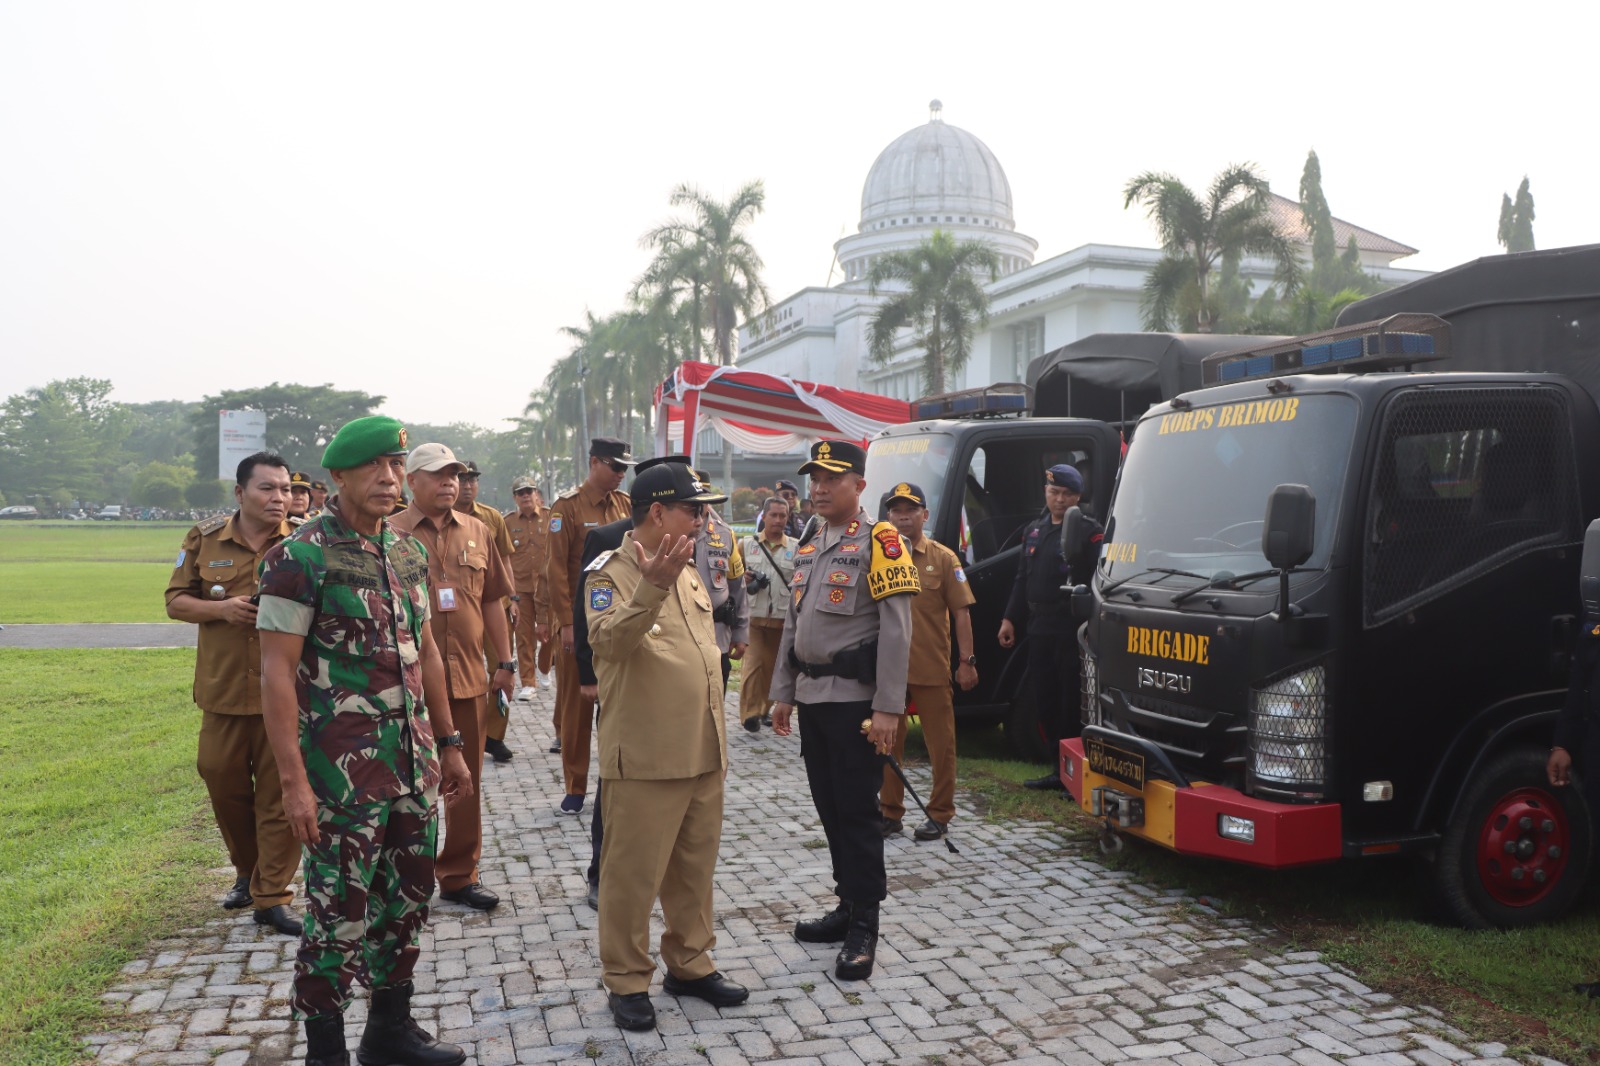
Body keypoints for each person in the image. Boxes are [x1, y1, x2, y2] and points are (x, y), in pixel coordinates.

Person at [257, 415, 474, 1066]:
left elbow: (427, 652)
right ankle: (326, 1052)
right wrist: (294, 782)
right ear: (337, 478)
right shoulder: (299, 558)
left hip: (412, 766)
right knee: (336, 917)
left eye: (394, 466)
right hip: (339, 779)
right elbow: (273, 674)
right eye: (372, 468)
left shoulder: (405, 552)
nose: (388, 478)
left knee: (408, 900)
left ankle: (389, 1032)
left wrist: (451, 741)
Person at [584, 460, 748, 1031]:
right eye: (694, 510)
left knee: (694, 870)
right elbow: (608, 643)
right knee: (631, 876)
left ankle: (691, 963)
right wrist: (650, 586)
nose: (705, 521)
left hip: (701, 747)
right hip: (648, 755)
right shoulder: (610, 574)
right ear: (658, 512)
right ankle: (627, 980)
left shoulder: (689, 568)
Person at [770, 439, 918, 981]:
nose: (820, 488)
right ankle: (846, 905)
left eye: (832, 478)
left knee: (858, 815)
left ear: (859, 485)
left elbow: (899, 630)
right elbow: (793, 621)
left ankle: (865, 927)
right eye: (815, 478)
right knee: (830, 809)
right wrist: (782, 691)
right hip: (813, 699)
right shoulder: (810, 540)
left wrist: (888, 708)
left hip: (857, 704)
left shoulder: (882, 540)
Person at [164, 450, 301, 936]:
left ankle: (273, 897)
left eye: (285, 489)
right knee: (222, 780)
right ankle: (248, 871)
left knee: (280, 796)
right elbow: (175, 602)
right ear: (240, 493)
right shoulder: (204, 538)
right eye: (268, 488)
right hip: (223, 690)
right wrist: (221, 611)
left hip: (285, 693)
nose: (279, 498)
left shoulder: (305, 540)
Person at [391, 443, 516, 913]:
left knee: (465, 782)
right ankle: (408, 876)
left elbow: (492, 601)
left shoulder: (479, 531)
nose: (451, 483)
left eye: (456, 475)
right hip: (405, 682)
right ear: (412, 482)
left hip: (466, 676)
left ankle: (460, 874)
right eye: (439, 475)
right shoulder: (390, 533)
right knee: (407, 782)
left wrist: (505, 662)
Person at [879, 482, 978, 840]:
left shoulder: (943, 558)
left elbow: (961, 613)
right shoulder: (880, 555)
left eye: (910, 510)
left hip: (931, 668)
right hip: (889, 670)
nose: (902, 517)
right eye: (896, 510)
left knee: (941, 745)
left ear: (925, 515)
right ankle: (890, 812)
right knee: (886, 743)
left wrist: (966, 660)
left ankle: (939, 813)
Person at [543, 437, 634, 815]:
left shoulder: (627, 505)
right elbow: (556, 571)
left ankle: (620, 777)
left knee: (622, 703)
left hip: (619, 620)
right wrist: (566, 624)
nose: (620, 475)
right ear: (594, 461)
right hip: (578, 623)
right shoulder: (566, 508)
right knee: (577, 706)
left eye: (624, 469)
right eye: (614, 467)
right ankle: (576, 785)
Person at [998, 463, 1102, 789]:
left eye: (1067, 494)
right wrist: (1009, 618)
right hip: (1038, 625)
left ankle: (1069, 773)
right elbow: (1021, 579)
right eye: (1054, 492)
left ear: (1078, 496)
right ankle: (1056, 767)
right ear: (1045, 492)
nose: (1059, 499)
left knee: (1069, 699)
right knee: (1045, 698)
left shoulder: (1088, 530)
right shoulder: (1035, 530)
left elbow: (1099, 579)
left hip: (1069, 625)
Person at [739, 496, 797, 732]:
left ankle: (763, 710)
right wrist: (742, 579)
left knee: (773, 669)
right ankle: (750, 714)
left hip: (783, 621)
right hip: (753, 618)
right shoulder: (746, 544)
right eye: (773, 515)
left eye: (783, 515)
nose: (778, 520)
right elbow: (733, 578)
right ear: (764, 516)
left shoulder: (797, 547)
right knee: (753, 665)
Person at [691, 469, 749, 691]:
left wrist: (741, 633)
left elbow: (737, 586)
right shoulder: (671, 530)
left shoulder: (724, 534)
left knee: (715, 706)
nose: (699, 505)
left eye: (704, 497)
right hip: (681, 640)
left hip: (718, 638)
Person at [505, 477, 552, 708]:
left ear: (536, 494)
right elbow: (504, 557)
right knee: (524, 637)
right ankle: (528, 682)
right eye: (520, 492)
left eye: (529, 491)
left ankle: (544, 667)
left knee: (550, 635)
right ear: (515, 498)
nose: (525, 496)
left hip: (549, 587)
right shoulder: (508, 522)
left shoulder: (552, 517)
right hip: (521, 588)